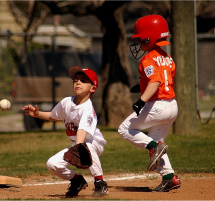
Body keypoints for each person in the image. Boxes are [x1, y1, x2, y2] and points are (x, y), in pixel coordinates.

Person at [22, 66, 109, 198]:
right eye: (76, 80)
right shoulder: (66, 102)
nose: (78, 82)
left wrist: (78, 148)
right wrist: (37, 114)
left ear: (92, 88)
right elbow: (53, 115)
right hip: (77, 144)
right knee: (52, 164)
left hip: (94, 143)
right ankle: (77, 181)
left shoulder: (88, 109)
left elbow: (82, 131)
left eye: (83, 80)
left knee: (87, 146)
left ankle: (100, 182)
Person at [118, 14, 181, 192]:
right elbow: (161, 80)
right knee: (155, 141)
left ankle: (155, 147)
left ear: (150, 38)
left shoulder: (148, 58)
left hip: (157, 106)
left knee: (124, 129)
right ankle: (169, 178)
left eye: (140, 39)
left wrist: (141, 100)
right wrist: (141, 87)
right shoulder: (168, 57)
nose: (138, 43)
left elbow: (155, 82)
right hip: (172, 106)